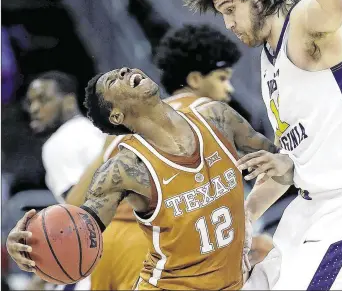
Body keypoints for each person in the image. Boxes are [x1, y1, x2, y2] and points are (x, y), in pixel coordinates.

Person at [7, 66, 294, 290]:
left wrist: (249, 211)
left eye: (123, 70)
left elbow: (283, 167)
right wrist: (29, 247)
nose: (122, 71)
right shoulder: (124, 169)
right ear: (116, 115)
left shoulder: (215, 116)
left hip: (237, 282)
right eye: (112, 81)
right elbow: (78, 230)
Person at [184, 0, 342, 289]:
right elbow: (288, 163)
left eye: (229, 10)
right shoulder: (268, 61)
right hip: (305, 211)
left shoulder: (303, 23)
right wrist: (246, 218)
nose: (228, 24)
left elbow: (335, 1)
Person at [65, 24, 261, 290]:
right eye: (222, 78)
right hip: (141, 247)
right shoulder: (204, 114)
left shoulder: (131, 133)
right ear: (195, 80)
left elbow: (73, 204)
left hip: (136, 247)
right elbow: (82, 210)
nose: (229, 89)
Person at [22, 71, 105, 290]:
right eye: (30, 102)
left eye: (43, 99)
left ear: (68, 100)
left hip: (95, 258)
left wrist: (41, 277)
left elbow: (81, 214)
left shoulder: (61, 142)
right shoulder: (95, 131)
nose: (34, 109)